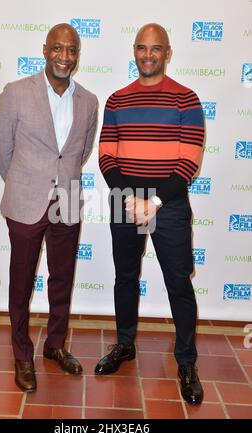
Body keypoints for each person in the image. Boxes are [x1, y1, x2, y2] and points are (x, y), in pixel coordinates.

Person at [96, 23, 205, 405]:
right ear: (134, 51)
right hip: (126, 200)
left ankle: (187, 362)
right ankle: (125, 345)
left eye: (155, 48)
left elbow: (188, 160)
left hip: (170, 205)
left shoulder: (186, 100)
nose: (148, 54)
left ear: (167, 53)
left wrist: (152, 202)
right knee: (125, 276)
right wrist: (132, 198)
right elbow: (106, 154)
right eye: (142, 48)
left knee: (178, 282)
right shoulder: (116, 100)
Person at [0, 23, 98, 392]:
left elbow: (79, 154)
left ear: (77, 56)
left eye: (71, 50)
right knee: (21, 282)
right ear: (45, 49)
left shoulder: (89, 101)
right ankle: (22, 353)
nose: (64, 56)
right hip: (25, 201)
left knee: (62, 280)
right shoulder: (16, 93)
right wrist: (25, 182)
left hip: (67, 201)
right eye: (58, 48)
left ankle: (55, 346)